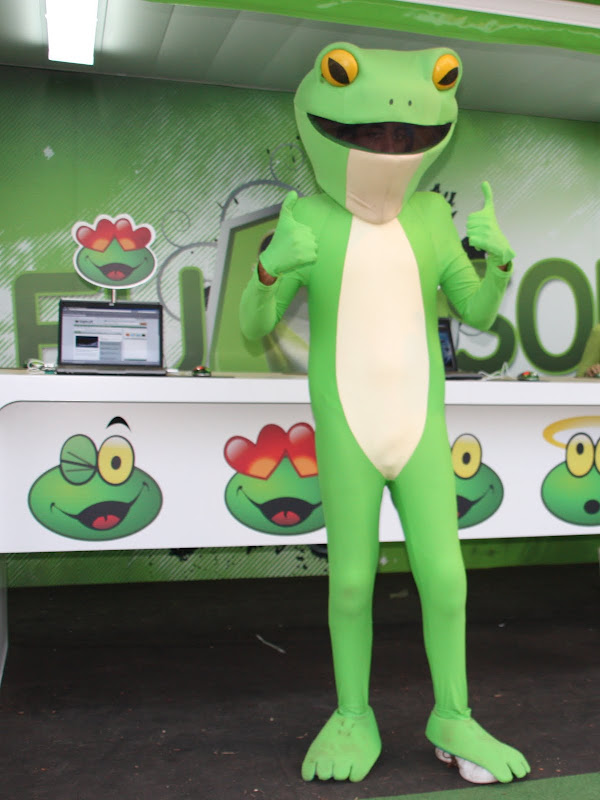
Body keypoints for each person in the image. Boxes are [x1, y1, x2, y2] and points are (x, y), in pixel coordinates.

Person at [240, 43, 530, 786]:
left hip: (420, 429)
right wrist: (270, 268)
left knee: (448, 580)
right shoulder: (311, 218)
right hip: (349, 429)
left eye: (403, 135)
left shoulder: (430, 216)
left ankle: (454, 715)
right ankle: (351, 714)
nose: (391, 142)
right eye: (374, 133)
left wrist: (498, 264)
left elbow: (476, 311)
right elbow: (253, 325)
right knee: (349, 584)